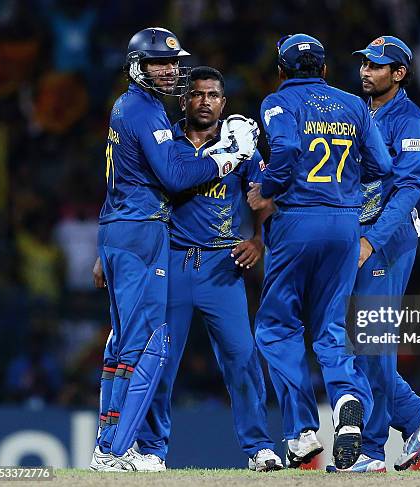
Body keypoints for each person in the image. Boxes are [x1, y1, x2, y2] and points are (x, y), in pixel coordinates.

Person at [90, 28, 259, 472]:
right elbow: (176, 178)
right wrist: (229, 157)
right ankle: (116, 450)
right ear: (136, 65)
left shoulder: (135, 107)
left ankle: (109, 443)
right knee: (147, 346)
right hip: (142, 232)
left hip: (121, 230)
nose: (169, 70)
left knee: (123, 344)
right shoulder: (144, 110)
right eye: (157, 63)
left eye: (172, 63)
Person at [247, 34, 393, 471]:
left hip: (297, 222)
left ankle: (302, 430)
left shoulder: (277, 103)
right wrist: (344, 181)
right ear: (326, 70)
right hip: (345, 223)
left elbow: (288, 149)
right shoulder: (353, 104)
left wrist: (267, 190)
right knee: (330, 327)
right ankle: (347, 396)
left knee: (276, 327)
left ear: (281, 71)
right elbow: (383, 167)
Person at [133, 66, 282, 471]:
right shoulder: (165, 143)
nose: (205, 101)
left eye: (213, 95)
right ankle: (151, 450)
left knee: (242, 358)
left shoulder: (243, 146)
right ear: (184, 101)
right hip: (172, 262)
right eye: (197, 95)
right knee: (160, 361)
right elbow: (138, 196)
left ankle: (259, 448)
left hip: (223, 265)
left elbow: (266, 196)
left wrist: (257, 240)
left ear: (223, 102)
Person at [327, 36, 420, 473]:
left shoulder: (409, 120)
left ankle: (371, 450)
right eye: (364, 63)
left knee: (370, 343)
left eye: (377, 66)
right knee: (356, 343)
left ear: (398, 74)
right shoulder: (362, 111)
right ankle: (416, 418)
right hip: (359, 237)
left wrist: (371, 241)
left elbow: (408, 190)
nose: (366, 71)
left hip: (387, 240)